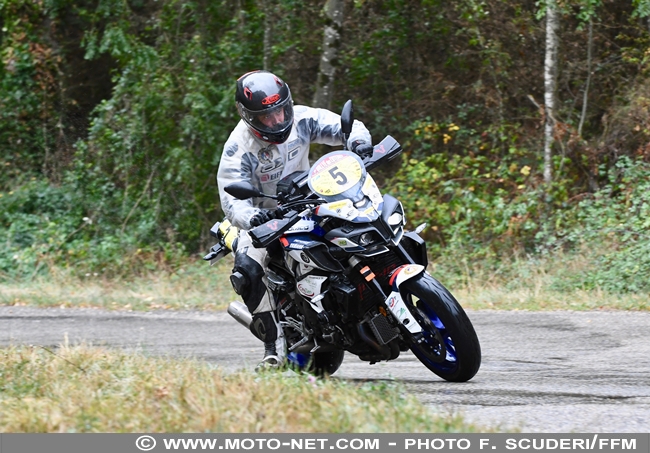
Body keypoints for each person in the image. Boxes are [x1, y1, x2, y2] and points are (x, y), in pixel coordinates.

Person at [216, 70, 373, 371]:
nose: (277, 121)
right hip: (267, 219)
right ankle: (273, 350)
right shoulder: (238, 148)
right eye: (267, 117)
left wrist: (359, 143)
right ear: (249, 117)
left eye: (280, 111)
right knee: (247, 267)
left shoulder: (303, 118)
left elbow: (345, 127)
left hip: (312, 197)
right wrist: (253, 216)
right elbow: (231, 199)